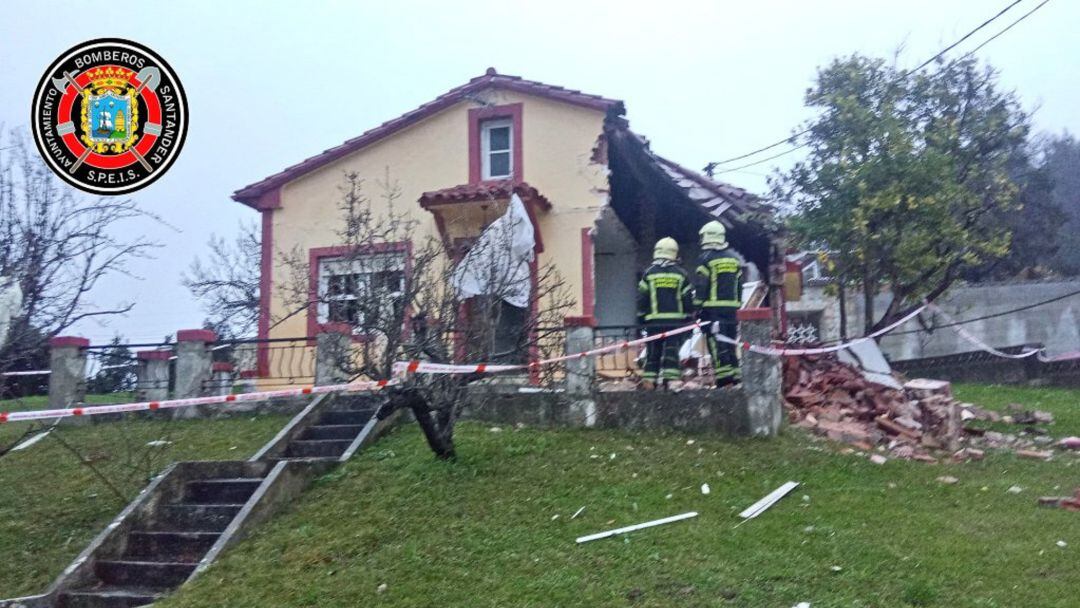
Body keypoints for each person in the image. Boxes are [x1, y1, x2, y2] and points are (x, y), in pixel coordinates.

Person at [693, 221, 748, 387]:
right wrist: (738, 305)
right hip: (732, 310)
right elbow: (739, 285)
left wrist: (697, 306)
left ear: (707, 236)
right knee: (731, 342)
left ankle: (724, 379)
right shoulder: (734, 259)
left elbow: (701, 285)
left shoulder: (705, 258)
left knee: (716, 343)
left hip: (713, 310)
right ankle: (736, 375)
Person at [637, 237, 694, 388]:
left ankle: (650, 381)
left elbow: (642, 298)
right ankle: (670, 381)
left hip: (653, 322)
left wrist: (641, 317)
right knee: (671, 352)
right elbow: (687, 299)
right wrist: (689, 317)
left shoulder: (649, 273)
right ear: (674, 253)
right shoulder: (681, 274)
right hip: (675, 322)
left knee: (652, 352)